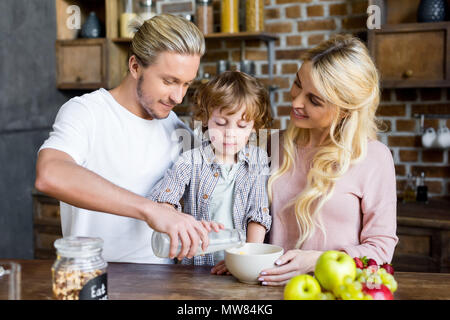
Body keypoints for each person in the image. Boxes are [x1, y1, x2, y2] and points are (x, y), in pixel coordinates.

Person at [34, 14, 218, 264]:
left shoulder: (177, 129)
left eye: (186, 84)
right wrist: (150, 210)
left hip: (164, 285)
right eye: (169, 81)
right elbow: (51, 174)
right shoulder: (87, 112)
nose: (178, 96)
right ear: (135, 66)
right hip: (95, 277)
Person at [258, 34, 398, 286]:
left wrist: (318, 260)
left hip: (335, 291)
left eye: (314, 100)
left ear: (345, 110)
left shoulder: (373, 158)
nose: (296, 101)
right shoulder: (270, 144)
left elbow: (381, 247)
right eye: (297, 83)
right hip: (267, 290)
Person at [148, 71, 272, 272]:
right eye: (221, 123)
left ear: (254, 127)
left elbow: (258, 214)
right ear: (205, 119)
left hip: (238, 266)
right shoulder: (190, 160)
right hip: (195, 268)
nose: (230, 134)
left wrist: (245, 257)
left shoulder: (257, 161)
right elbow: (163, 200)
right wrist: (173, 218)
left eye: (242, 126)